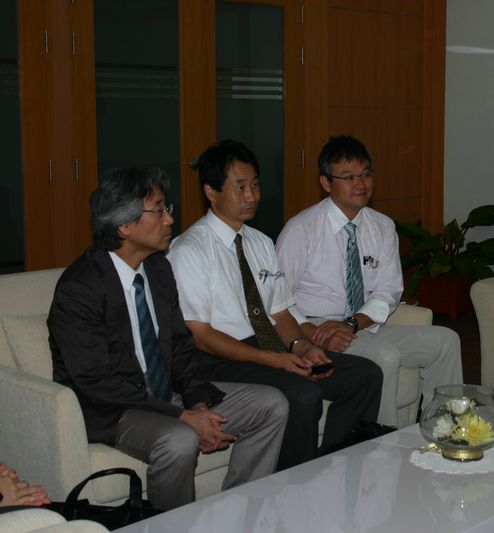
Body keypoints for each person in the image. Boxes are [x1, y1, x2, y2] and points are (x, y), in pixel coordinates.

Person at [48, 168, 288, 511]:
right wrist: (181, 416)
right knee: (179, 440)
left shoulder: (158, 268)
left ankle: (242, 511)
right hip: (114, 409)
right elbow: (95, 380)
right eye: (159, 210)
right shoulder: (80, 288)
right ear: (124, 226)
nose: (170, 219)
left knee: (271, 404)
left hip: (165, 395)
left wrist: (198, 403)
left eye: (166, 208)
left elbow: (180, 347)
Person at [168, 140, 382, 470]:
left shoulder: (260, 242)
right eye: (240, 187)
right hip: (217, 357)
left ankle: (338, 469)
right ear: (211, 191)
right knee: (302, 392)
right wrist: (274, 360)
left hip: (264, 346)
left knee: (364, 374)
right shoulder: (189, 250)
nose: (251, 196)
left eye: (255, 185)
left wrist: (302, 346)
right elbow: (200, 335)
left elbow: (279, 312)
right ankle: (294, 484)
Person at [275, 135, 463, 427]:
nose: (360, 184)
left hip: (359, 325)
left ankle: (444, 429)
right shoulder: (301, 229)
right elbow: (277, 297)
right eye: (348, 177)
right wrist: (314, 332)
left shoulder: (382, 226)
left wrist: (351, 324)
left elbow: (389, 290)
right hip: (314, 327)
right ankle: (379, 442)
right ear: (326, 183)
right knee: (384, 356)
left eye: (365, 174)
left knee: (446, 341)